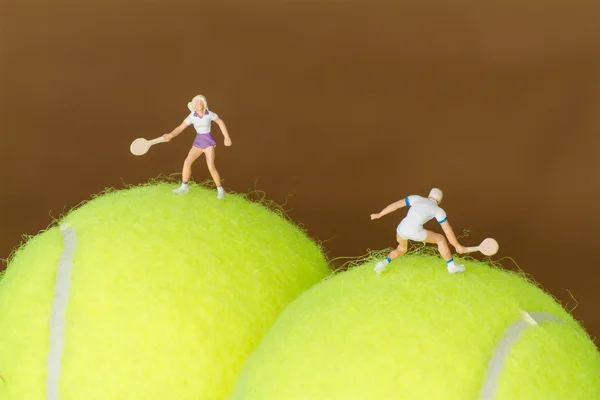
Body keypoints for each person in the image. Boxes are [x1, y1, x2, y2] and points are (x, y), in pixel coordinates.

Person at [370, 188, 466, 274]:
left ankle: (383, 263)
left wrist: (380, 214)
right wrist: (457, 245)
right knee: (440, 239)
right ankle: (451, 266)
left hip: (401, 227)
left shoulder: (416, 198)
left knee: (401, 248)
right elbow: (448, 230)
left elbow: (397, 205)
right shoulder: (438, 210)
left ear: (429, 195)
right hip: (415, 231)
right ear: (440, 201)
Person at [162, 95, 232, 198]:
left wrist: (227, 137)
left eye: (200, 102)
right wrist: (170, 135)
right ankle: (184, 187)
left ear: (204, 103)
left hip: (208, 141)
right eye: (196, 102)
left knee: (211, 166)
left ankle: (220, 189)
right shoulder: (192, 116)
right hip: (198, 142)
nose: (198, 104)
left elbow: (220, 122)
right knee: (187, 162)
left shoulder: (209, 114)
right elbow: (180, 128)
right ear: (193, 105)